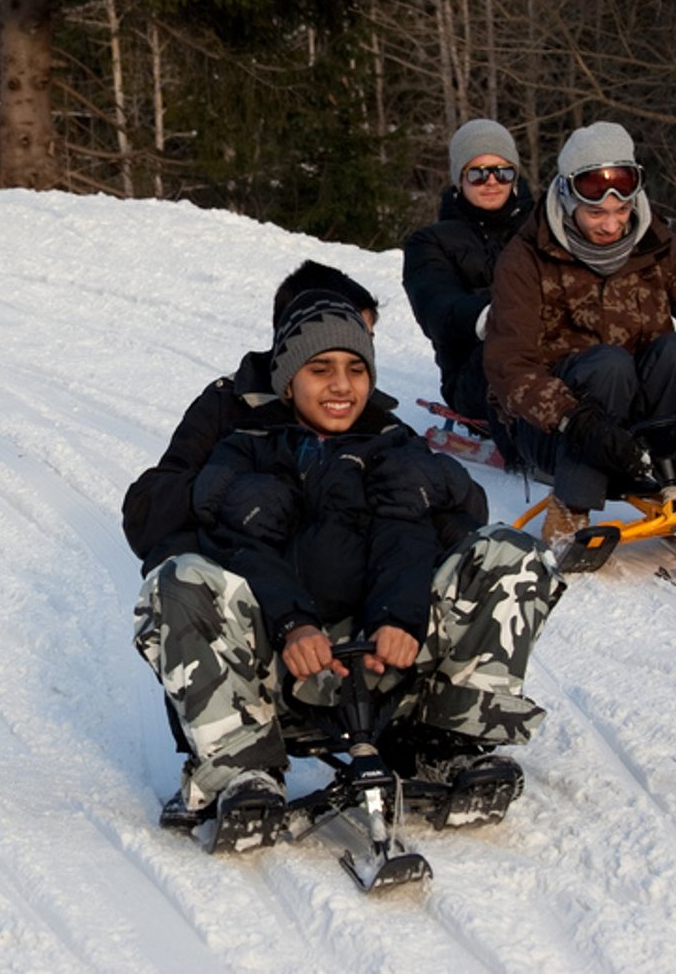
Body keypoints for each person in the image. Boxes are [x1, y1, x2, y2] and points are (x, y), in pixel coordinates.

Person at [132, 291, 562, 842]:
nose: (341, 385)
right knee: (181, 578)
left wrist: (398, 620)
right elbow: (243, 550)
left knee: (512, 552)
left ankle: (445, 742)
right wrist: (293, 624)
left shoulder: (388, 446)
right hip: (282, 666)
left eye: (356, 369)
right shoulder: (247, 448)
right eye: (321, 369)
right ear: (288, 381)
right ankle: (241, 769)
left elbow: (405, 541)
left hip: (383, 658)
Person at [482, 120, 676, 549]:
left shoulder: (655, 244)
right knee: (608, 364)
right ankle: (570, 507)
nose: (612, 226)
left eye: (621, 210)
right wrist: (573, 419)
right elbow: (508, 366)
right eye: (596, 212)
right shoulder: (526, 257)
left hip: (638, 418)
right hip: (560, 426)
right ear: (567, 199)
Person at [120, 259, 379, 577]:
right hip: (241, 590)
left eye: (366, 339)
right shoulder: (228, 404)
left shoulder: (372, 417)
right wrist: (221, 491)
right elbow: (144, 511)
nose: (345, 376)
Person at [402, 118, 534, 442]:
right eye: (478, 173)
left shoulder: (541, 230)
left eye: (502, 172)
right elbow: (437, 308)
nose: (491, 182)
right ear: (460, 179)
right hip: (476, 371)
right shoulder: (430, 242)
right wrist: (496, 315)